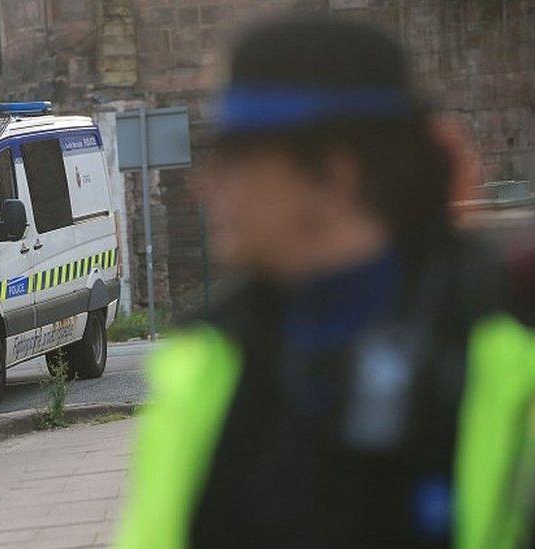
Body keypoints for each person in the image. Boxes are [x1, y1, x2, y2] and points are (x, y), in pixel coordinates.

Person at [118, 15, 535, 549]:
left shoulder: (502, 349)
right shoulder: (206, 362)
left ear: (334, 177)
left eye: (237, 159)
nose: (206, 186)